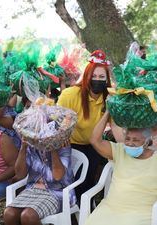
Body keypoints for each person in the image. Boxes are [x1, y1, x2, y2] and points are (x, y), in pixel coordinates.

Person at [84, 111, 157, 225]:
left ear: (147, 141)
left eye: (135, 140)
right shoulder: (120, 151)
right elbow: (94, 140)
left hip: (139, 214)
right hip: (110, 208)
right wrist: (108, 113)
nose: (130, 143)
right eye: (127, 139)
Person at [57, 50, 112, 199]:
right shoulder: (70, 95)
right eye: (93, 76)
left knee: (89, 180)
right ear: (86, 76)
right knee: (74, 181)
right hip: (70, 144)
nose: (97, 80)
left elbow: (117, 128)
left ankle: (86, 206)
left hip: (94, 144)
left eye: (102, 77)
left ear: (107, 80)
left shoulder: (110, 99)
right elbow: (58, 122)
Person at [3, 140, 76, 225]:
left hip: (57, 192)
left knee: (28, 216)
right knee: (9, 214)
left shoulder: (63, 146)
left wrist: (53, 149)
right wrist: (23, 148)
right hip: (32, 189)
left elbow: (57, 176)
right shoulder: (31, 147)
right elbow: (20, 174)